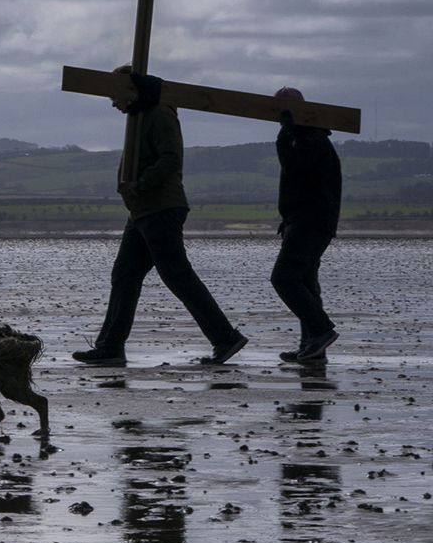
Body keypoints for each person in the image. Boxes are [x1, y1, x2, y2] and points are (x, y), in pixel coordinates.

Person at [73, 67, 247, 366]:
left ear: (129, 90)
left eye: (114, 95)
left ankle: (225, 337)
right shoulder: (139, 116)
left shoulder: (158, 114)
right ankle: (111, 347)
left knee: (177, 275)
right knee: (125, 275)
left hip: (160, 207)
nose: (113, 104)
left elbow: (171, 158)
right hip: (142, 210)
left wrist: (142, 183)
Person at [270, 86, 341, 362]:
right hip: (304, 220)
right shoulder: (307, 137)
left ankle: (321, 331)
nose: (279, 116)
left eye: (282, 110)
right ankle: (312, 346)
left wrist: (284, 134)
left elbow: (294, 168)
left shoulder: (311, 139)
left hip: (311, 221)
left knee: (284, 278)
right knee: (306, 283)